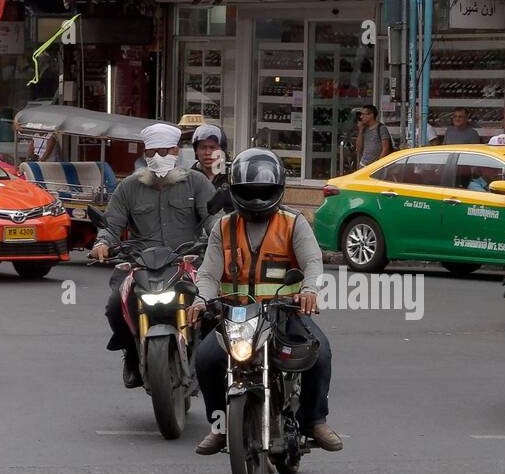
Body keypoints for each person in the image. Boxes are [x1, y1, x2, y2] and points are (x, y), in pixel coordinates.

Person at [188, 148, 342, 455]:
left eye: (264, 191)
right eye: (249, 192)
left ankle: (315, 420)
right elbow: (207, 272)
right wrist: (201, 299)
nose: (257, 199)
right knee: (206, 359)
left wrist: (309, 291)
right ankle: (220, 426)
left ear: (278, 189)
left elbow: (312, 262)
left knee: (320, 352)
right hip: (236, 316)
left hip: (285, 314)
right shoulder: (223, 227)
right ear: (235, 191)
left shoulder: (293, 222)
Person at [94, 122, 215, 388]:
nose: (159, 157)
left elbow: (214, 220)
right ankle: (131, 353)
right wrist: (102, 243)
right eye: (153, 152)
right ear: (145, 154)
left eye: (165, 151)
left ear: (177, 151)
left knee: (212, 308)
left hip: (187, 264)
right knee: (115, 306)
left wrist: (224, 240)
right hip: (140, 265)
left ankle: (209, 362)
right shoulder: (128, 187)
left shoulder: (197, 183)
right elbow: (112, 225)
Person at [190, 123, 232, 215]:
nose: (207, 152)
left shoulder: (234, 175)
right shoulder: (188, 178)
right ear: (196, 151)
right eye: (202, 147)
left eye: (212, 148)